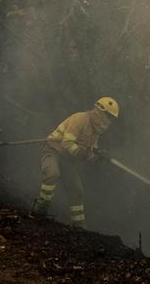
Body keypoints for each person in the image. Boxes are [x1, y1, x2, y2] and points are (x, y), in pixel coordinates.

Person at [33, 96, 119, 227]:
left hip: (67, 160)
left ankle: (79, 226)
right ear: (99, 112)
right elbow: (67, 144)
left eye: (111, 119)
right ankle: (39, 211)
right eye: (108, 117)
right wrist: (84, 153)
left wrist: (97, 157)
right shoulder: (80, 119)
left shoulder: (95, 132)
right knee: (52, 174)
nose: (108, 122)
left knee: (77, 191)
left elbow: (89, 154)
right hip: (53, 151)